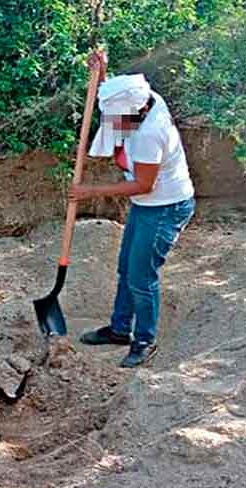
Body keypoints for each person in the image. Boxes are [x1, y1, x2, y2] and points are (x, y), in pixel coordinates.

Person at [70, 51, 197, 368]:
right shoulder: (145, 98)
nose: (113, 123)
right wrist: (102, 76)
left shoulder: (150, 134)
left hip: (166, 207)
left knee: (142, 277)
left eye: (117, 118)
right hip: (147, 206)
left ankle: (145, 341)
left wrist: (90, 192)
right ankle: (119, 329)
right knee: (127, 267)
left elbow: (143, 185)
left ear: (134, 112)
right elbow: (119, 96)